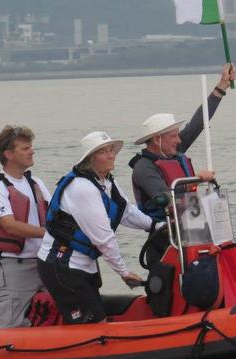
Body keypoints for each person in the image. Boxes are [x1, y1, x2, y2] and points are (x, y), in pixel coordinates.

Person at [38, 131, 153, 324]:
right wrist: (123, 272)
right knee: (93, 323)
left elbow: (127, 212)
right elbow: (104, 239)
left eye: (111, 150)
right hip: (63, 265)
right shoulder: (83, 188)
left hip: (85, 265)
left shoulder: (108, 182)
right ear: (91, 159)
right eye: (104, 152)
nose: (111, 155)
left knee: (95, 316)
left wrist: (156, 225)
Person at [129, 64, 236, 221]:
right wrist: (196, 179)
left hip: (191, 225)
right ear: (157, 139)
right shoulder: (143, 167)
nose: (179, 141)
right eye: (173, 136)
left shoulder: (172, 151)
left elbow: (198, 123)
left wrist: (222, 86)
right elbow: (168, 199)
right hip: (166, 232)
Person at [0, 125, 51, 328]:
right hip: (10, 264)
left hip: (42, 262)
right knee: (11, 324)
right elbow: (10, 226)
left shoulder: (35, 182)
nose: (32, 151)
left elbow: (55, 216)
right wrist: (49, 233)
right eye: (25, 148)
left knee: (55, 312)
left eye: (31, 146)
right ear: (8, 154)